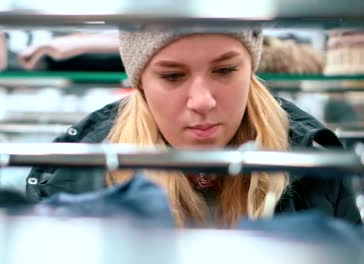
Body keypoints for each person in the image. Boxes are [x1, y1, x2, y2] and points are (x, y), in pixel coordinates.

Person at [26, 28, 362, 227]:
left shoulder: (314, 163)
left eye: (226, 70)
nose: (202, 101)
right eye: (172, 76)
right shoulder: (71, 181)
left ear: (251, 68)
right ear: (139, 81)